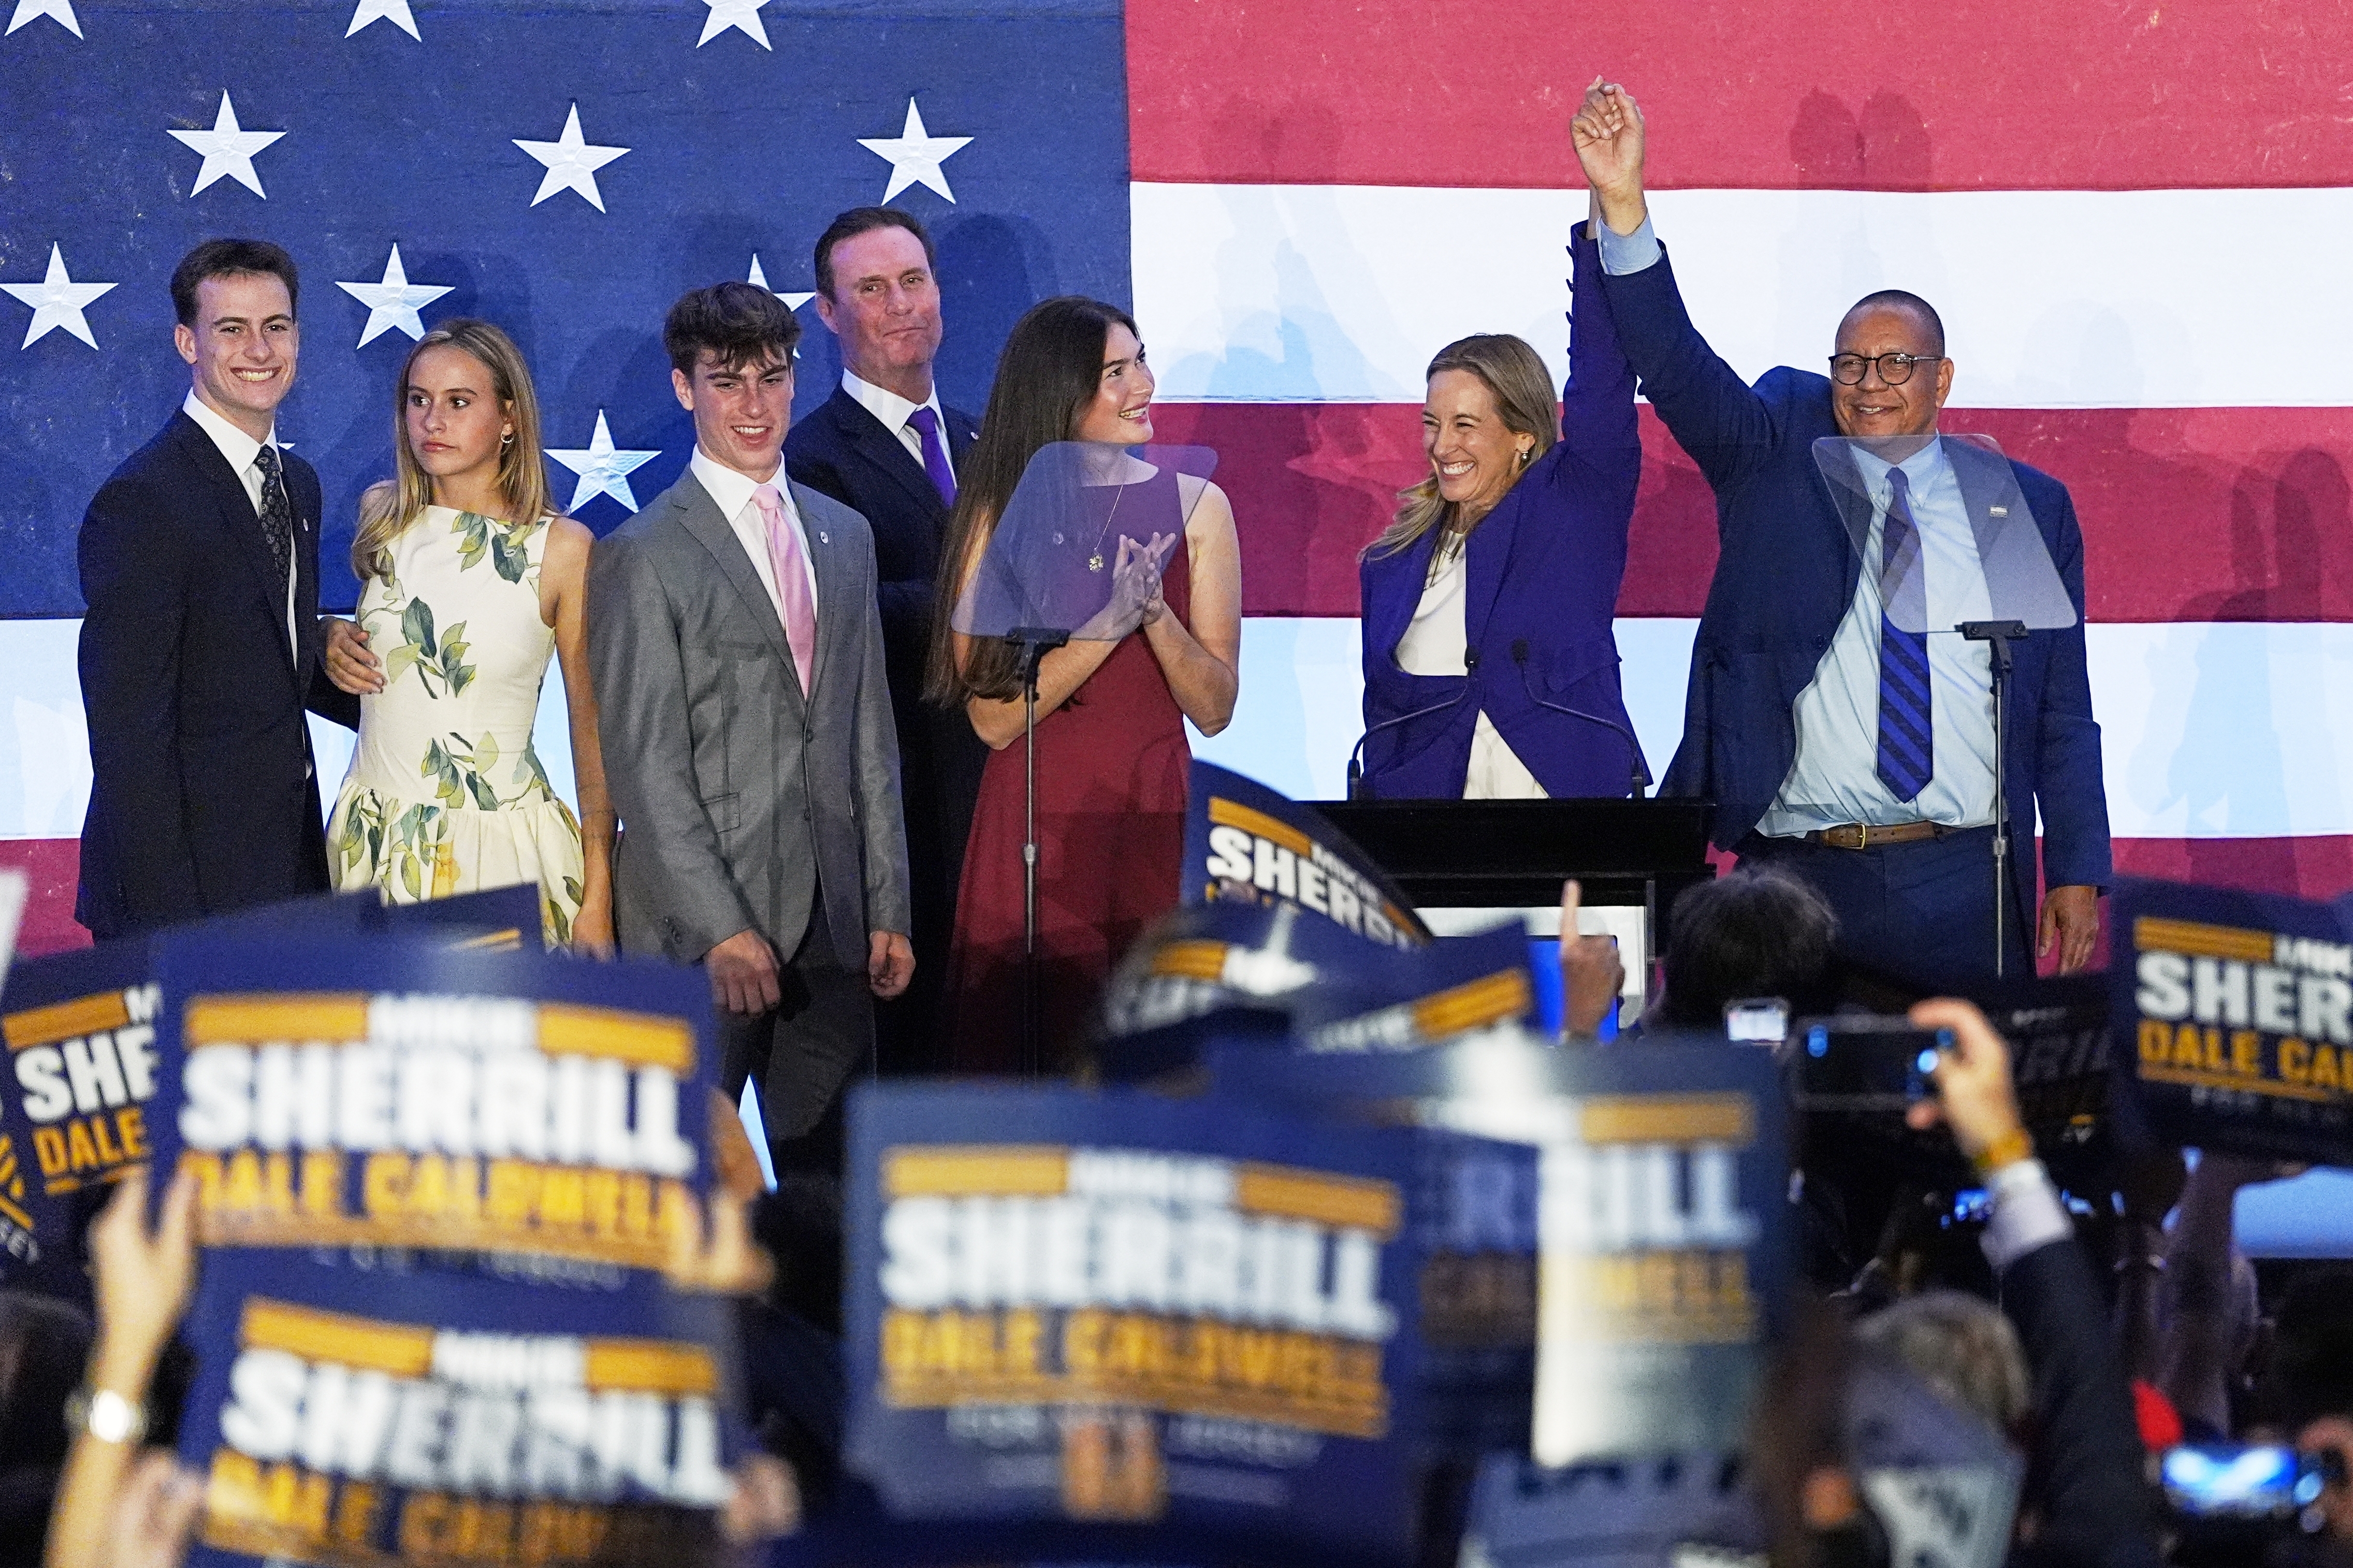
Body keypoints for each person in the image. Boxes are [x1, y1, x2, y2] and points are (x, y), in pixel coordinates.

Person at [1572, 81, 2110, 989]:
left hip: (1966, 877)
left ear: (1940, 381)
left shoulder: (2012, 502)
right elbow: (1672, 363)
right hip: (1798, 875)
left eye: (1894, 363)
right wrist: (1622, 208)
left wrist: (2080, 864)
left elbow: (2058, 709)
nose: (1867, 382)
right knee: (1790, 1119)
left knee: (1958, 1114)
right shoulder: (1776, 447)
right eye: (1849, 363)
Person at [588, 281, 911, 1213]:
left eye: (772, 378)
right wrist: (720, 926)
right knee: (686, 1205)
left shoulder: (843, 536)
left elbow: (866, 734)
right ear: (685, 388)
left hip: (835, 928)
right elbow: (646, 772)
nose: (756, 404)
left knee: (834, 1200)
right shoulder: (641, 553)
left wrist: (885, 901)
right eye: (728, 382)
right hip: (704, 938)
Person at [928, 296, 1241, 1073]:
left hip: (1150, 814)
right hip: (1037, 825)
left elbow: (1216, 708)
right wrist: (1106, 624)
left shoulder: (1200, 509)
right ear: (1061, 392)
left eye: (1141, 360)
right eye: (1117, 370)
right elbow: (994, 722)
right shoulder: (999, 516)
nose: (1145, 383)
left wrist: (1155, 616)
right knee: (1029, 1062)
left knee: (1147, 1064)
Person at [74, 238, 360, 939]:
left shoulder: (297, 484)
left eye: (278, 326)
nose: (259, 349)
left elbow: (270, 654)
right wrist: (172, 928)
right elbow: (129, 737)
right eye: (231, 328)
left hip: (284, 869)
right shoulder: (144, 500)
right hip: (184, 896)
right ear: (187, 342)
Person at [316, 320, 614, 951]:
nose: (432, 421)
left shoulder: (560, 549)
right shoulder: (381, 517)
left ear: (509, 417)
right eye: (418, 400)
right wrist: (325, 637)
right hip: (370, 844)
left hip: (496, 857)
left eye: (458, 402)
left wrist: (599, 894)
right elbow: (376, 659)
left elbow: (591, 731)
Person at [1355, 197, 1645, 800]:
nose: (1442, 445)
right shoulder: (1390, 564)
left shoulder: (1573, 512)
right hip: (1429, 854)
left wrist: (1606, 209)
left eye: (1465, 424)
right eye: (1432, 423)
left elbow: (1601, 371)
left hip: (1570, 836)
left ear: (1523, 435)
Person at [785, 207, 984, 1073]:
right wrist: (991, 603)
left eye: (914, 280)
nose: (902, 304)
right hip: (895, 810)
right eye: (871, 288)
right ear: (828, 314)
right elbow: (839, 617)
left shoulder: (991, 444)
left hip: (1001, 797)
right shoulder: (805, 459)